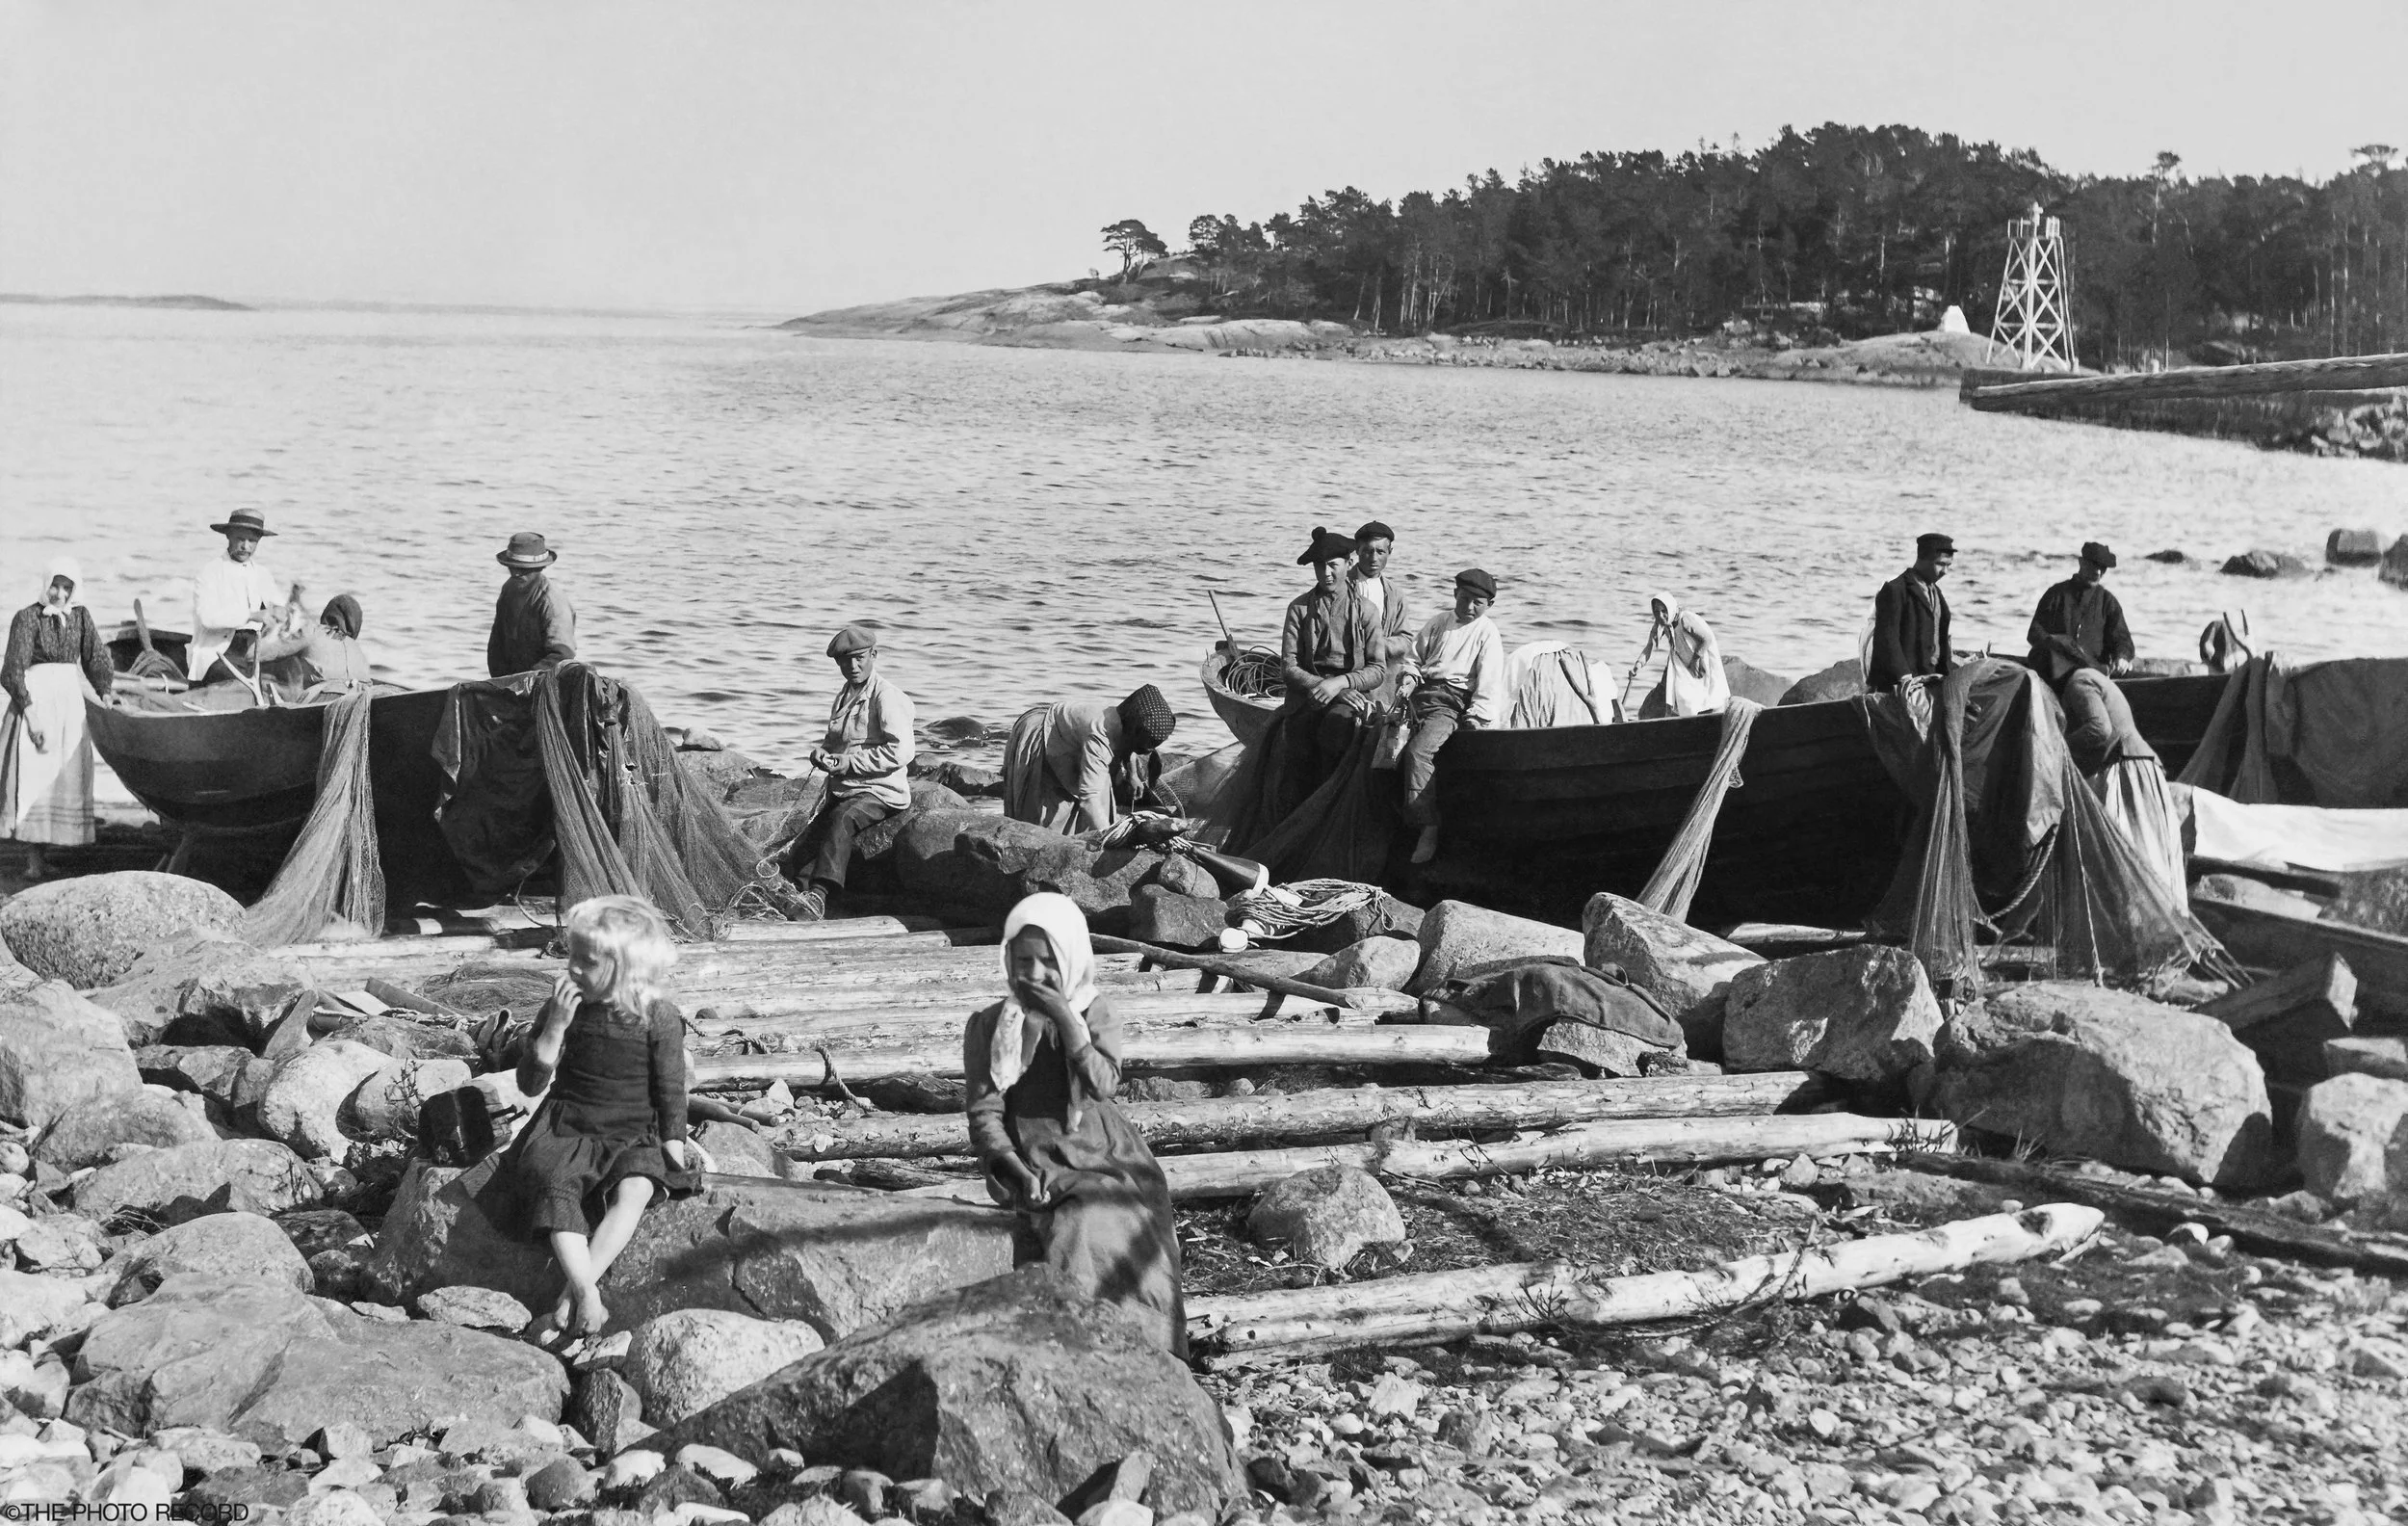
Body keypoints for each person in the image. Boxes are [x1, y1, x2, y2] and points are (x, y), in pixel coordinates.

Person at [963, 892, 1185, 1354]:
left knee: (1120, 1218)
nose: (1035, 973)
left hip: (1103, 1149)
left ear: (1070, 959)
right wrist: (1016, 1171)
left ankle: (1144, 1346)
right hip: (1034, 1152)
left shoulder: (1094, 1011)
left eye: (1048, 961)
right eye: (1023, 960)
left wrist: (1066, 1020)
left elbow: (1103, 1084)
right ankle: (1077, 1341)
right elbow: (985, 1111)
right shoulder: (991, 1026)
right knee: (1076, 1220)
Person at [478, 895, 701, 1341]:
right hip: (569, 1124)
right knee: (552, 1183)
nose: (573, 969)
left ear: (626, 967)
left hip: (632, 1130)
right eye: (571, 957)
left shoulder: (659, 1016)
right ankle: (586, 1290)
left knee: (637, 1187)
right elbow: (530, 1084)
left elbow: (671, 1089)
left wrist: (673, 1148)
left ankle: (573, 1290)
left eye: (587, 961)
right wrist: (555, 1027)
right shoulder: (564, 1008)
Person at [786, 621, 915, 920]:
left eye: (859, 658)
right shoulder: (845, 695)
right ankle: (796, 892)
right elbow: (835, 742)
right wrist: (821, 753)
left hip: (881, 790)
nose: (853, 667)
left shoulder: (887, 696)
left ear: (874, 655)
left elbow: (902, 751)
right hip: (847, 788)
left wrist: (851, 763)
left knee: (842, 820)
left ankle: (819, 896)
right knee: (812, 834)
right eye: (845, 661)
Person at [3, 558, 115, 881]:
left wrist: (105, 691)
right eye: (55, 585)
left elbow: (95, 656)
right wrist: (30, 714)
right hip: (36, 701)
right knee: (35, 774)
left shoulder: (81, 616)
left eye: (67, 587)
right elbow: (12, 670)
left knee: (62, 774)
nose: (60, 594)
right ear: (46, 583)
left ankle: (46, 856)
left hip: (68, 702)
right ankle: (32, 861)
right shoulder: (27, 617)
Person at [1400, 569, 1505, 865]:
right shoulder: (1438, 622)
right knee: (1378, 745)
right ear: (1455, 594)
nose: (1469, 607)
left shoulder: (1487, 633)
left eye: (1477, 603)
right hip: (1419, 696)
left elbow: (1489, 683)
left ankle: (1428, 825)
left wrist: (1477, 717)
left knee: (1418, 752)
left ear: (1489, 605)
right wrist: (1409, 678)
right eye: (1464, 598)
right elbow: (1413, 659)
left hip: (1450, 704)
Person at [1278, 526, 1384, 803]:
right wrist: (1325, 686)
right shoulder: (1299, 609)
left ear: (1349, 564)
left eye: (1333, 566)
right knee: (1298, 737)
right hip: (1308, 692)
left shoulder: (1366, 611)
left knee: (1337, 729)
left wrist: (1342, 684)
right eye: (1319, 566)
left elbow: (1377, 670)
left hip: (1351, 694)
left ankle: (1328, 803)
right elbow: (1289, 668)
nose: (1325, 573)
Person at [1002, 685, 1177, 835]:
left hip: (1073, 739)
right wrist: (1111, 838)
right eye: (1145, 747)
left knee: (1099, 804)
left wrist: (1132, 775)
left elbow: (1129, 745)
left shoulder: (1126, 722)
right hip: (1042, 733)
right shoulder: (1100, 737)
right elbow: (1089, 798)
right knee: (1042, 820)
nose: (1146, 751)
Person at [188, 508, 300, 683]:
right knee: (237, 680)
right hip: (219, 653)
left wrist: (284, 611)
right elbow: (207, 618)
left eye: (252, 541)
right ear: (228, 536)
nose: (245, 547)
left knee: (293, 671)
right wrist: (251, 615)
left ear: (259, 541)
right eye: (240, 539)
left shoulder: (262, 574)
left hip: (254, 651)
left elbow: (278, 607)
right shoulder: (210, 572)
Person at [2028, 541, 2133, 686]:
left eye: (2102, 568)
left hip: (2093, 676)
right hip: (2054, 675)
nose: (2098, 572)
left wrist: (2122, 657)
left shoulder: (2108, 602)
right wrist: (2058, 645)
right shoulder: (2056, 594)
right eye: (2094, 566)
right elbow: (2034, 632)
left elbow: (2122, 640)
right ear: (2081, 562)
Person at [1866, 533, 1956, 692]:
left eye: (1948, 565)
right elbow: (1887, 638)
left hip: (1931, 679)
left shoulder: (1936, 593)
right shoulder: (1895, 590)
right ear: (1923, 560)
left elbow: (1941, 640)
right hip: (1899, 684)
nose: (1945, 571)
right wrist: (1904, 676)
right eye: (1940, 564)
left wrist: (1949, 677)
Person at [488, 532, 577, 677]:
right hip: (510, 678)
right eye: (512, 567)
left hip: (545, 680)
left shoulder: (552, 601)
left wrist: (525, 681)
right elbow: (496, 642)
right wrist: (500, 681)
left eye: (523, 569)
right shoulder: (509, 589)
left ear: (540, 568)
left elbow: (562, 654)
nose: (516, 574)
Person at [1636, 593, 1731, 718]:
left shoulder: (1684, 620)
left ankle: (1701, 717)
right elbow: (1649, 646)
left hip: (1698, 657)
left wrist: (1696, 659)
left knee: (1704, 695)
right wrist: (1638, 665)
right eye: (1657, 612)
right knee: (1679, 694)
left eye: (1664, 611)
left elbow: (1707, 638)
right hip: (1680, 659)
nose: (1661, 615)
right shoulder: (1660, 624)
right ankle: (1679, 718)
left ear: (1670, 608)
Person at [1348, 519, 1411, 696]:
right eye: (1368, 551)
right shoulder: (1341, 586)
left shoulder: (1395, 594)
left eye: (1380, 551)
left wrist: (1377, 644)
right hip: (1345, 672)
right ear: (1357, 550)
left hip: (1381, 679)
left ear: (1390, 552)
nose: (1374, 558)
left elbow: (1405, 640)